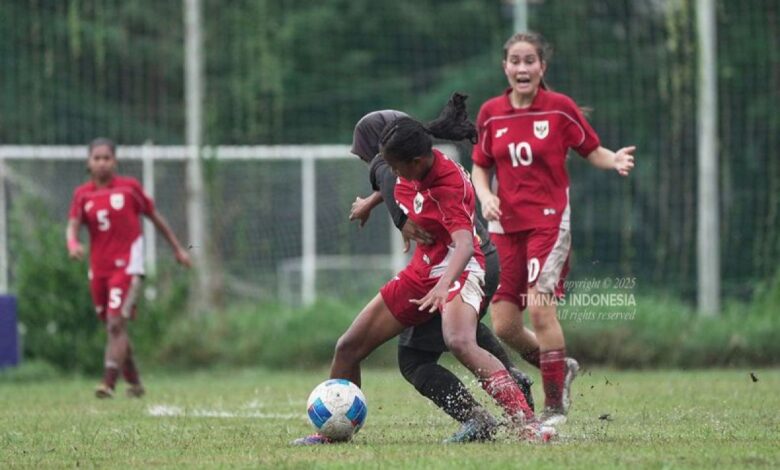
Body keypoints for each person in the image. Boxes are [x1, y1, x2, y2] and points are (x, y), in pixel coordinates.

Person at [294, 106, 553, 445]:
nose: (389, 173)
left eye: (395, 167)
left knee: (459, 340)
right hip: (425, 265)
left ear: (415, 161)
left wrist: (443, 288)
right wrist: (373, 203)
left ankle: (528, 425)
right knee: (348, 347)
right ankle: (334, 435)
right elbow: (392, 182)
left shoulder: (446, 187)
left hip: (462, 265)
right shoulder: (406, 166)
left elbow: (462, 244)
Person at [471, 32, 636, 424]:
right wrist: (485, 196)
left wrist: (613, 160)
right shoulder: (491, 112)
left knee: (542, 312)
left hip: (548, 223)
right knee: (506, 325)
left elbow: (591, 150)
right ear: (505, 67)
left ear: (542, 67)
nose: (522, 68)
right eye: (515, 60)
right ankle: (562, 370)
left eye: (530, 61)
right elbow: (480, 165)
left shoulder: (559, 109)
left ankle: (554, 407)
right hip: (504, 227)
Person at [67, 138, 191, 398]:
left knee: (114, 324)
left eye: (106, 158)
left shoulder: (129, 189)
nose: (102, 163)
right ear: (89, 162)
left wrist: (178, 248)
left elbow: (155, 218)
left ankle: (108, 383)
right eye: (96, 158)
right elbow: (73, 224)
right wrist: (73, 243)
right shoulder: (82, 194)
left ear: (115, 161)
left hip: (127, 267)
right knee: (115, 326)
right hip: (98, 270)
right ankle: (134, 383)